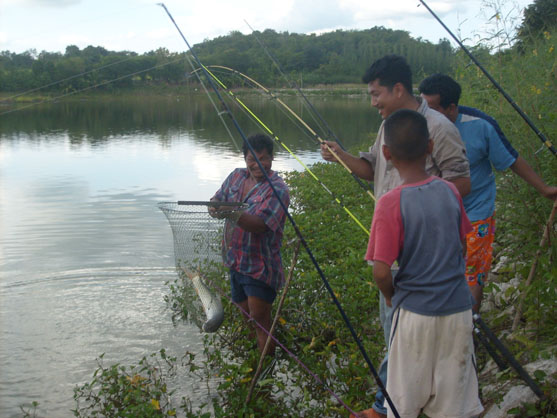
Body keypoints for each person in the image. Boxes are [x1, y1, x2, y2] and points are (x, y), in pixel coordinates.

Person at [321, 55, 471, 418]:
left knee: (404, 332)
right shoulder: (388, 125)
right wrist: (340, 156)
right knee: (399, 335)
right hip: (398, 252)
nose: (373, 103)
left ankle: (389, 406)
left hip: (420, 253)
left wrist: (414, 209)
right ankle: (402, 401)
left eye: (376, 94)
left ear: (398, 89)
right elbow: (372, 167)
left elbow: (462, 182)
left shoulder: (437, 128)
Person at [366, 108, 483, 418]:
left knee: (402, 404)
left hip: (414, 315)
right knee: (452, 406)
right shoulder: (449, 190)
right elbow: (461, 243)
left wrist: (390, 293)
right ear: (430, 147)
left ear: (386, 153)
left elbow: (380, 270)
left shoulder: (389, 202)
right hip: (458, 311)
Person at [419, 73, 557, 312]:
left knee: (472, 271)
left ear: (451, 108)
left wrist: (544, 189)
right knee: (438, 270)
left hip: (476, 211)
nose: (425, 114)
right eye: (422, 107)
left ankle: (471, 327)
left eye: (431, 108)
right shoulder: (418, 126)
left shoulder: (480, 124)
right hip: (436, 211)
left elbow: (511, 159)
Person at [210, 133, 290, 356]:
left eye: (263, 159)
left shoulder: (278, 189)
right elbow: (218, 198)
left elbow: (260, 225)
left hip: (260, 267)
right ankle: (254, 358)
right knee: (246, 316)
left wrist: (231, 212)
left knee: (261, 322)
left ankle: (265, 373)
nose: (257, 165)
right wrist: (215, 207)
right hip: (235, 261)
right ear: (244, 159)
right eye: (251, 159)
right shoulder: (236, 176)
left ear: (272, 158)